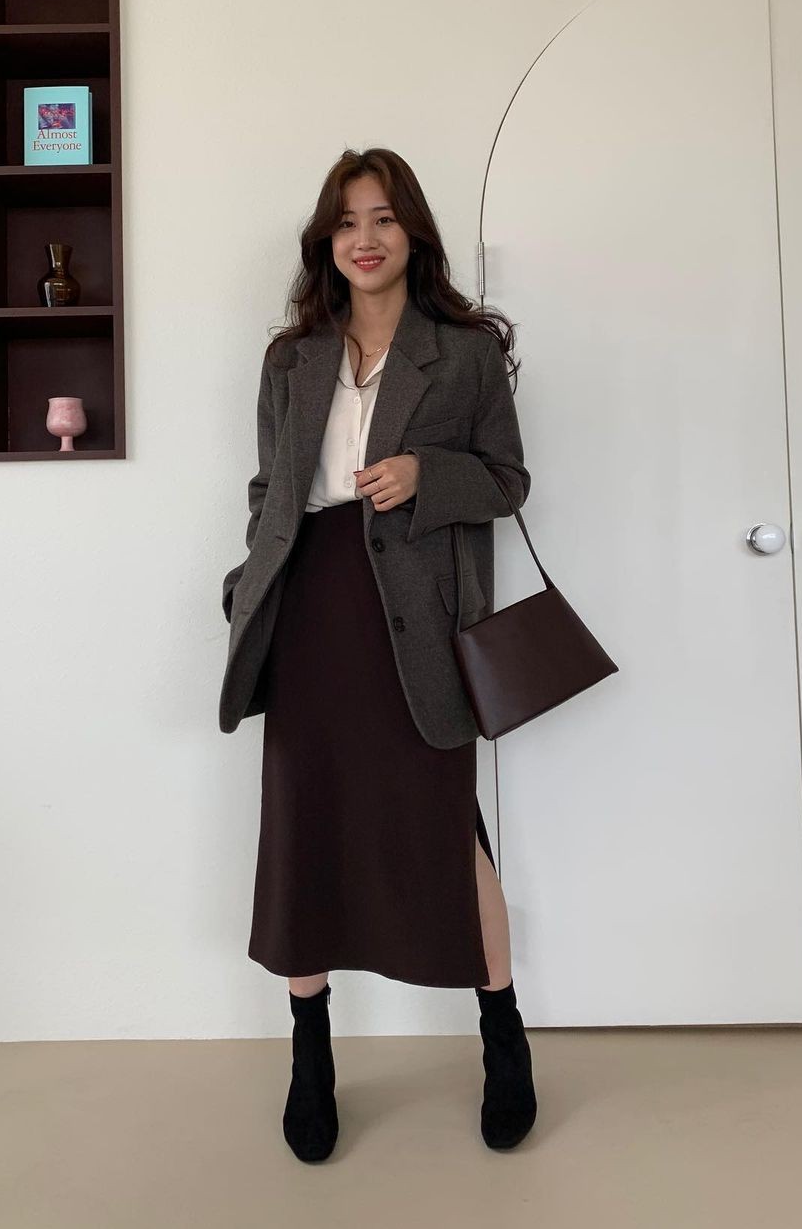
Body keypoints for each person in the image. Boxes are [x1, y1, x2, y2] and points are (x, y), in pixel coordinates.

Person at [220, 147, 537, 1160]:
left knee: (447, 826)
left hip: (416, 615)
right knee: (304, 825)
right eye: (348, 221)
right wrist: (248, 585)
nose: (366, 238)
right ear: (326, 241)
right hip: (308, 609)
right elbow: (270, 491)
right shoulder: (292, 358)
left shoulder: (466, 353)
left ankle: (504, 1036)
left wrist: (425, 473)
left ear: (414, 234)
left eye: (385, 219)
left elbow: (507, 481)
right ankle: (310, 1057)